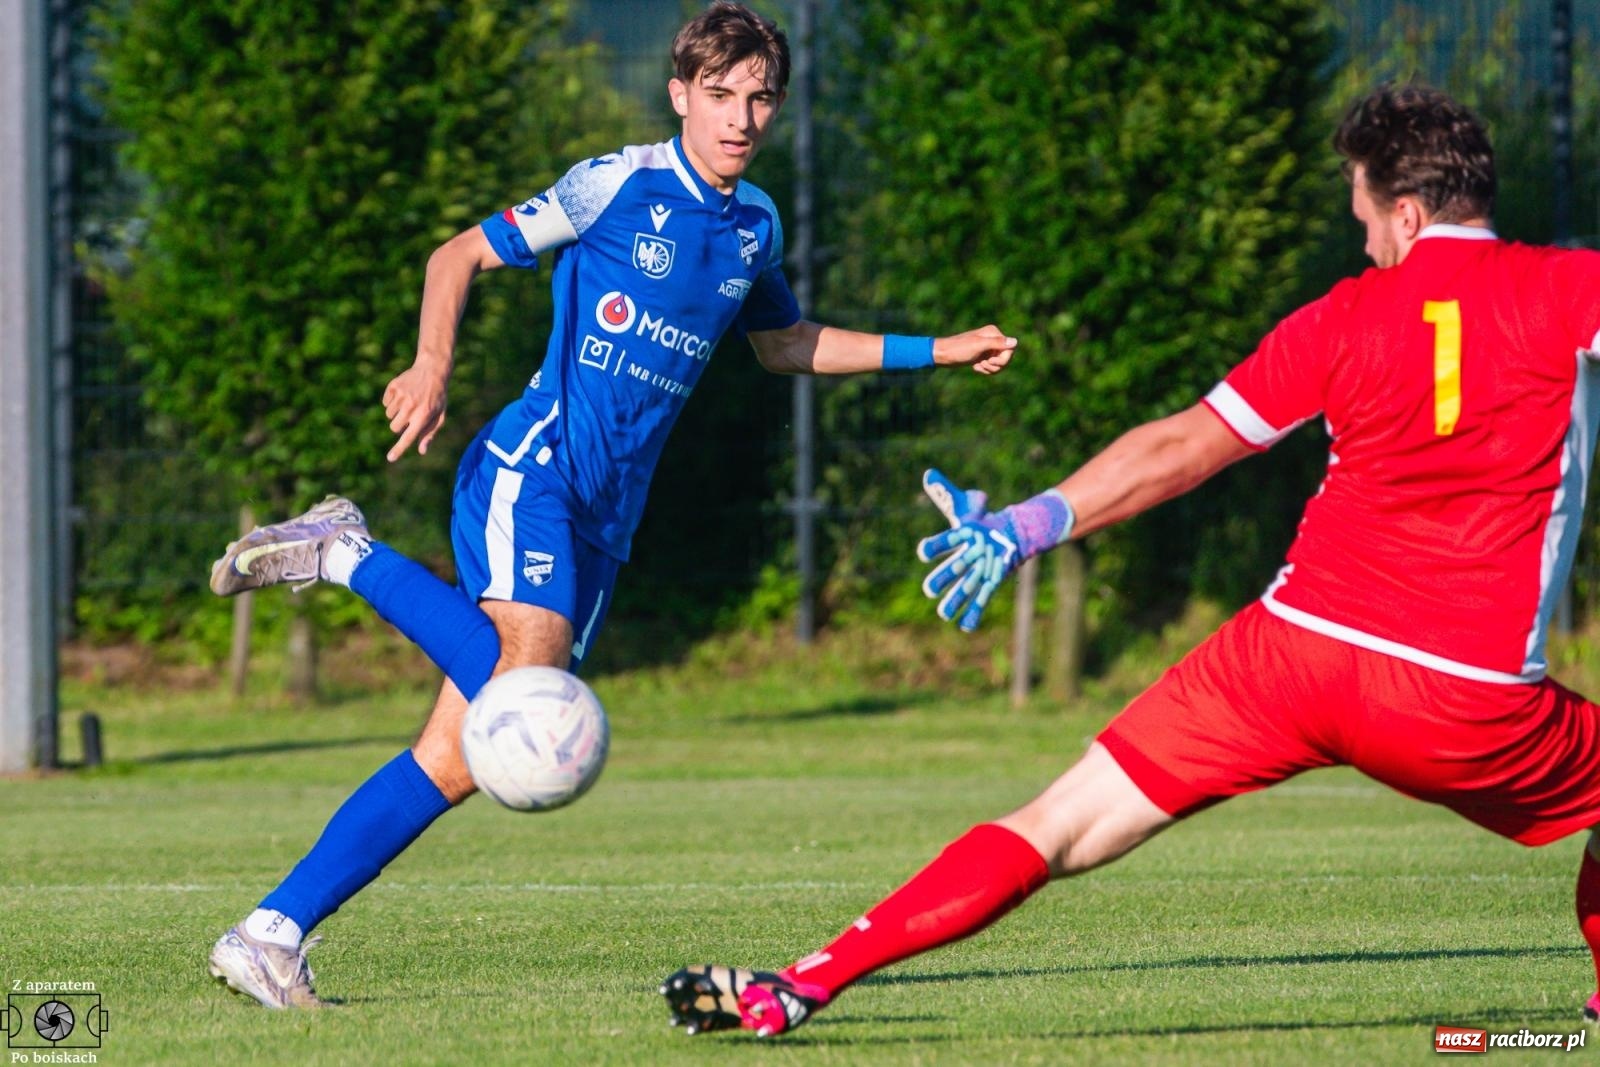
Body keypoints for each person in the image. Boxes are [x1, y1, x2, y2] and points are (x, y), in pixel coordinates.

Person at [660, 81, 1600, 1038]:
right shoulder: (1572, 290)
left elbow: (1183, 447)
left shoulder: (1342, 314)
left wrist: (1024, 525)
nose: (1362, 240)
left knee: (1055, 824)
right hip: (1462, 694)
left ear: (1407, 210)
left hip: (1289, 659)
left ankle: (804, 978)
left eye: (1364, 213)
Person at [202, 0, 1016, 1010]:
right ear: (681, 94)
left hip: (604, 523)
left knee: (460, 757)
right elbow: (454, 256)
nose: (741, 117)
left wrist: (936, 348)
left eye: (760, 98)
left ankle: (268, 931)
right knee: (515, 692)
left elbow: (785, 344)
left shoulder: (753, 224)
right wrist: (432, 364)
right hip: (531, 468)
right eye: (721, 95)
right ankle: (344, 552)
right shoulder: (614, 183)